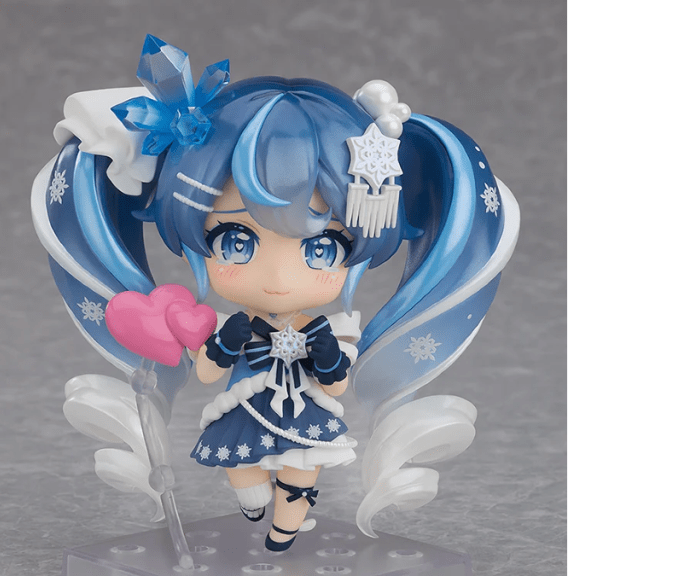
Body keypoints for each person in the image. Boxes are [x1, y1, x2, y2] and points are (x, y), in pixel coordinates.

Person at [33, 35, 519, 550]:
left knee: (301, 472)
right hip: (243, 412)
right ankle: (252, 504)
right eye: (236, 242)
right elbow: (206, 372)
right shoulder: (233, 326)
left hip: (304, 413)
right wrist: (224, 344)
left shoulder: (325, 328)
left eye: (322, 249)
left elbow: (336, 387)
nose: (279, 277)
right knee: (242, 470)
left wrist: (327, 356)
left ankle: (284, 530)